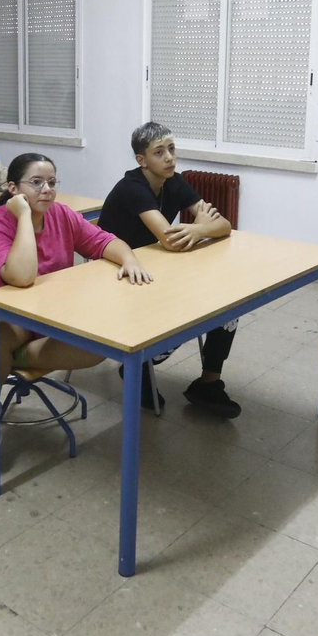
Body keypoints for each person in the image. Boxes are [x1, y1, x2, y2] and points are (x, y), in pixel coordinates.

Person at [0, 153, 153, 449]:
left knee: (102, 345)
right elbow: (21, 276)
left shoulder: (61, 215)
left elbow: (103, 241)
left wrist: (130, 259)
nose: (46, 189)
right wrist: (24, 216)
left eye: (51, 182)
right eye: (36, 182)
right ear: (13, 188)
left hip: (49, 312)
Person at [98, 122, 241, 418]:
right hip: (119, 271)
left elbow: (225, 226)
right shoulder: (132, 188)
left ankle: (208, 384)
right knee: (186, 309)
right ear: (141, 160)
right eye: (159, 152)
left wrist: (199, 228)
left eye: (172, 149)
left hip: (157, 264)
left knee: (228, 306)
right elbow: (171, 240)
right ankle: (137, 365)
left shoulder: (173, 181)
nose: (169, 158)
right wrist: (201, 226)